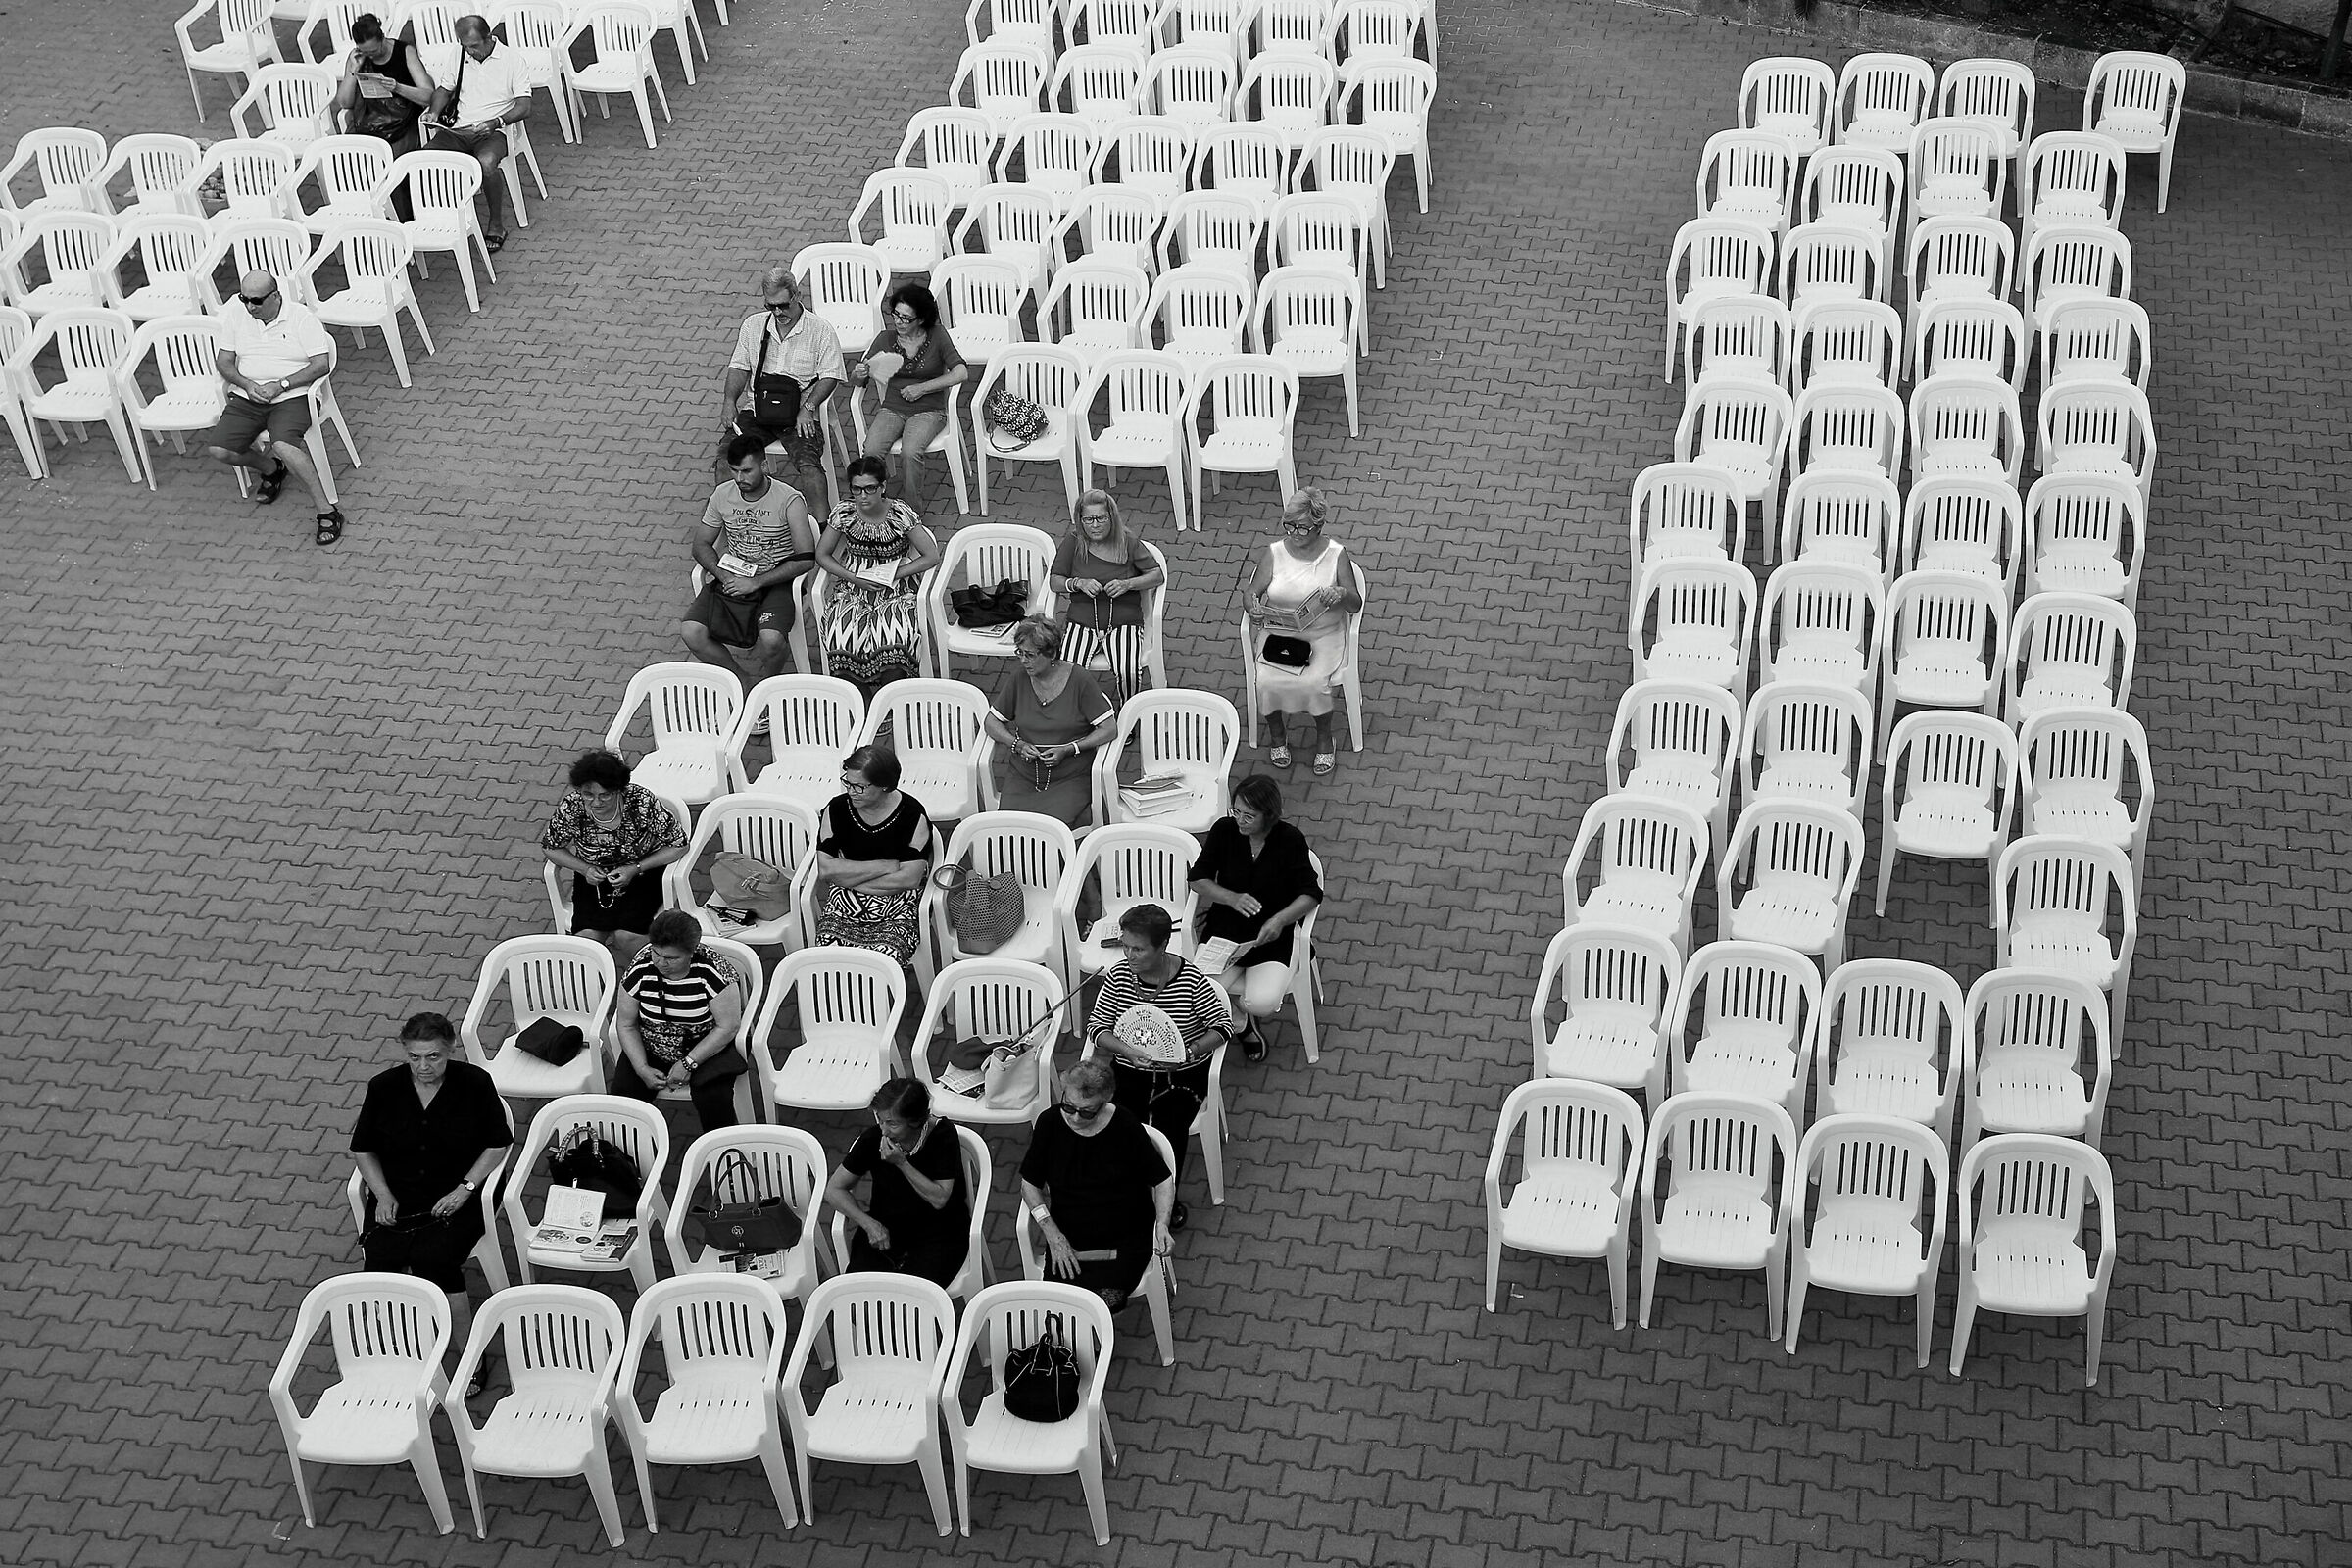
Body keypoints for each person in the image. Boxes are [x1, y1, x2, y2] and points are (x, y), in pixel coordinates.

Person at [351, 1011, 513, 1395]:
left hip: (459, 1192)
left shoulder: (474, 1083)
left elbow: (497, 1144)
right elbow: (364, 1150)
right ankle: (396, 1352)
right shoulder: (384, 1087)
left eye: (434, 1057)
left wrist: (465, 1189)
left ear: (450, 1050)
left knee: (435, 1261)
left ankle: (470, 1357)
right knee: (381, 1262)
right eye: (415, 1057)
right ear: (405, 1053)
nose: (424, 1067)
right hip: (400, 1194)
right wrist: (384, 1196)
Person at [1082, 903, 1235, 1231]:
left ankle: (1167, 1194)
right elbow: (1097, 1027)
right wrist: (1126, 1049)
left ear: (1163, 946)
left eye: (1138, 948)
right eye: (1125, 946)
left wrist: (1189, 1051)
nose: (1129, 955)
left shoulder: (1191, 981)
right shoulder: (1119, 977)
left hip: (1180, 1075)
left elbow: (1223, 1027)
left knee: (1170, 1127)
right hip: (1129, 1070)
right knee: (1118, 1123)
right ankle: (1128, 1190)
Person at [1018, 1057, 1175, 1312]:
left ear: (1104, 1103)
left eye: (1086, 1111)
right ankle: (1078, 1350)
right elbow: (1029, 1183)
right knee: (1060, 1307)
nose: (1075, 1118)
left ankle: (1094, 1347)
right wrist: (1052, 1234)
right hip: (1069, 1235)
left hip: (1125, 1235)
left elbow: (1162, 1179)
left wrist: (1163, 1225)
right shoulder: (1049, 1123)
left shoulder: (1124, 1125)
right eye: (1068, 1107)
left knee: (1103, 1305)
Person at [200, 270, 343, 546]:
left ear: (275, 296)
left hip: (293, 396)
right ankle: (271, 470)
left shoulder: (302, 318)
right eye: (244, 299)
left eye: (256, 300)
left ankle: (328, 511)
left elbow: (321, 365)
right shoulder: (237, 315)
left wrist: (283, 384)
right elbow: (224, 362)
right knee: (220, 449)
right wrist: (247, 384)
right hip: (249, 396)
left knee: (285, 445)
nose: (249, 306)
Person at [1188, 773, 1323, 1062]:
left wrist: (1280, 921)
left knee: (1262, 1002)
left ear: (1269, 816)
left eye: (1249, 816)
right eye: (1236, 811)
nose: (1240, 821)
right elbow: (1197, 878)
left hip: (1271, 936)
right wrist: (1231, 898)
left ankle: (1248, 1014)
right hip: (1225, 931)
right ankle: (1241, 1024)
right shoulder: (1224, 831)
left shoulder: (1289, 840)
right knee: (1200, 996)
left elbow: (1310, 893)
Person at [680, 434, 818, 694]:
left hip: (777, 579)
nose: (740, 479)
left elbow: (805, 558)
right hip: (733, 575)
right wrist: (722, 575)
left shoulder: (789, 500)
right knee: (691, 632)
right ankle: (743, 681)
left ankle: (768, 683)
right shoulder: (722, 495)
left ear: (764, 466)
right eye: (734, 471)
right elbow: (700, 545)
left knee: (772, 640)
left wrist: (755, 582)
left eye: (746, 471)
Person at [1244, 487, 1363, 775]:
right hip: (1281, 633)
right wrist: (1254, 608)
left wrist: (1340, 593)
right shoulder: (1273, 553)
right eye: (1289, 525)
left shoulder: (1336, 555)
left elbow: (1355, 603)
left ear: (1319, 526)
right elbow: (1250, 593)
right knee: (1267, 681)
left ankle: (1324, 738)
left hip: (1323, 635)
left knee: (1312, 683)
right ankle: (1277, 735)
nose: (1295, 533)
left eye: (1303, 527)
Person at [539, 749, 691, 968]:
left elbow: (679, 845)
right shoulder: (572, 807)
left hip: (643, 872)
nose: (596, 803)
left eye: (605, 795)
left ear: (619, 790)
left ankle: (647, 974)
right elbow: (550, 847)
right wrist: (584, 869)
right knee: (587, 938)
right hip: (594, 877)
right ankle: (595, 988)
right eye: (588, 794)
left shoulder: (641, 803)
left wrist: (636, 868)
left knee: (627, 936)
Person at [814, 455, 942, 694]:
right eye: (857, 489)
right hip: (853, 583)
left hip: (897, 585)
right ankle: (860, 697)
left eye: (870, 488)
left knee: (894, 633)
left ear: (882, 487)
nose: (863, 496)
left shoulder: (899, 513)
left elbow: (931, 555)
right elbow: (822, 554)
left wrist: (895, 575)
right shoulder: (844, 513)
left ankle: (889, 696)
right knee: (842, 633)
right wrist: (851, 577)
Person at [825, 1077, 970, 1288]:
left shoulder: (942, 1136)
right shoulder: (874, 1138)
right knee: (858, 1291)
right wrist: (869, 1223)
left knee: (914, 1296)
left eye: (892, 1123)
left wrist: (902, 1163)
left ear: (916, 1120)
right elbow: (834, 1189)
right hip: (887, 1228)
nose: (884, 1130)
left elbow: (939, 1198)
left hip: (940, 1232)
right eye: (880, 1120)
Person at [612, 910, 748, 1132]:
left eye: (672, 958)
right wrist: (641, 1067)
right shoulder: (641, 966)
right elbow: (626, 1024)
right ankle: (630, 1157)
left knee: (713, 1098)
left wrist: (689, 1063)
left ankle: (722, 1151)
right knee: (624, 1099)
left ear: (691, 952)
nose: (660, 963)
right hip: (651, 1046)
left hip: (705, 1047)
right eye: (656, 953)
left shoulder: (713, 972)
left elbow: (728, 1027)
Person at [717, 267, 845, 501]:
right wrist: (729, 401)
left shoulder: (820, 330)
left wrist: (808, 408)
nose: (778, 312)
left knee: (809, 465)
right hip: (758, 410)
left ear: (797, 296)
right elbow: (738, 367)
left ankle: (823, 524)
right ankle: (732, 518)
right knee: (727, 457)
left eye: (783, 305)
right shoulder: (753, 326)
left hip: (800, 413)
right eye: (771, 306)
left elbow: (831, 375)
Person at [983, 616, 1118, 827]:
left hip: (1070, 778)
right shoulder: (1020, 678)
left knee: (1048, 831)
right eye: (1020, 653)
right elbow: (991, 722)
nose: (1023, 661)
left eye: (1030, 655)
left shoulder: (1079, 680)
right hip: (1023, 775)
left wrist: (1069, 748)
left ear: (1051, 653)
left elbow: (1109, 729)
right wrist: (1016, 744)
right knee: (1008, 829)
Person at [849, 282, 967, 516]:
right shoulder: (885, 339)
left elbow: (961, 372)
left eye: (906, 318)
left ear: (921, 319)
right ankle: (873, 508)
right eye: (896, 315)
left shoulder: (937, 336)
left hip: (928, 409)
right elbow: (859, 379)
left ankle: (912, 515)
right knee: (871, 451)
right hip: (893, 408)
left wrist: (922, 388)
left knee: (910, 452)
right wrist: (858, 374)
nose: (899, 322)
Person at [812, 744, 933, 966]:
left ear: (884, 786)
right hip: (845, 901)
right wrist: (884, 866)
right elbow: (827, 870)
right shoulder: (837, 809)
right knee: (827, 960)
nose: (850, 791)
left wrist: (848, 875)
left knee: (883, 961)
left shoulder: (912, 815)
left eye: (859, 787)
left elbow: (909, 879)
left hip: (899, 902)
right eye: (847, 782)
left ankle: (882, 1000)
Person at [421, 14, 524, 254]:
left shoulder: (512, 60)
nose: (470, 52)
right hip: (457, 130)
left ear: (489, 38)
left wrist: (496, 121)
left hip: (494, 131)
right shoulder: (459, 54)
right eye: (465, 46)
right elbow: (444, 89)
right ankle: (445, 219)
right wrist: (434, 112)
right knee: (425, 159)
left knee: (487, 163)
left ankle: (496, 224)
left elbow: (525, 106)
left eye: (474, 46)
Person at [1050, 489, 1163, 705]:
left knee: (1128, 670)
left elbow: (1157, 575)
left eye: (1101, 518)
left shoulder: (1127, 540)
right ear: (1080, 521)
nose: (1095, 525)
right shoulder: (1073, 542)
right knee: (1069, 670)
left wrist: (1128, 584)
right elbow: (1055, 580)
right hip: (1082, 619)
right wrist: (1077, 583)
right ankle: (1077, 715)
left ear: (1112, 517)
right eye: (1088, 519)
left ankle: (1128, 714)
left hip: (1124, 620)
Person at [332, 13, 432, 220]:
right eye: (366, 51)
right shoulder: (358, 57)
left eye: (375, 50)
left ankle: (402, 218)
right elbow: (344, 102)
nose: (371, 55)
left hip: (402, 121)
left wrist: (398, 87)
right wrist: (353, 70)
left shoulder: (404, 51)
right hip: (370, 121)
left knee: (388, 164)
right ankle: (365, 216)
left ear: (382, 38)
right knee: (347, 161)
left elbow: (428, 95)